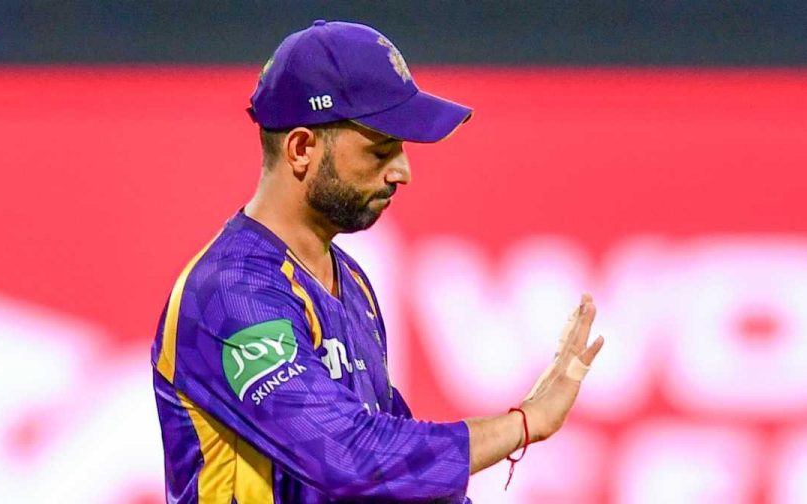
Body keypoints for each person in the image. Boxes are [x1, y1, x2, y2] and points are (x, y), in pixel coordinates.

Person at [150, 19, 605, 503]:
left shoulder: (349, 281)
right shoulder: (230, 292)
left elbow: (396, 478)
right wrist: (524, 423)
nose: (402, 171)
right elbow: (350, 457)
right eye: (381, 149)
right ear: (302, 148)